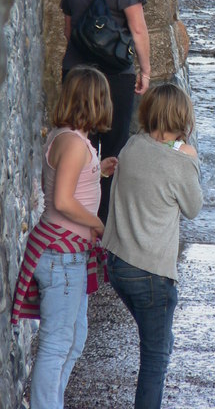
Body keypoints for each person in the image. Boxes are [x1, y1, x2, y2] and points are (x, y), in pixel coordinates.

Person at [11, 66, 117, 409]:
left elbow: (69, 185)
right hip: (61, 256)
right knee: (58, 344)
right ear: (94, 101)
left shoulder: (67, 137)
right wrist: (97, 225)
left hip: (66, 255)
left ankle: (52, 401)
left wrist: (96, 171)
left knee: (74, 340)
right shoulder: (72, 143)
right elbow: (62, 201)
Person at [103, 83, 203, 409]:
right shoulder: (181, 161)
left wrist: (178, 151)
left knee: (159, 340)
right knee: (155, 359)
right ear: (182, 119)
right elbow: (193, 207)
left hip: (117, 264)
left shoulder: (132, 145)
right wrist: (189, 157)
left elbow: (157, 148)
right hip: (151, 273)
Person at [60, 0, 151, 223]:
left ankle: (75, 212)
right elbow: (138, 31)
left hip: (75, 74)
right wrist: (146, 72)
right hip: (114, 77)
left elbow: (68, 30)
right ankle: (102, 225)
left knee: (79, 145)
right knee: (112, 153)